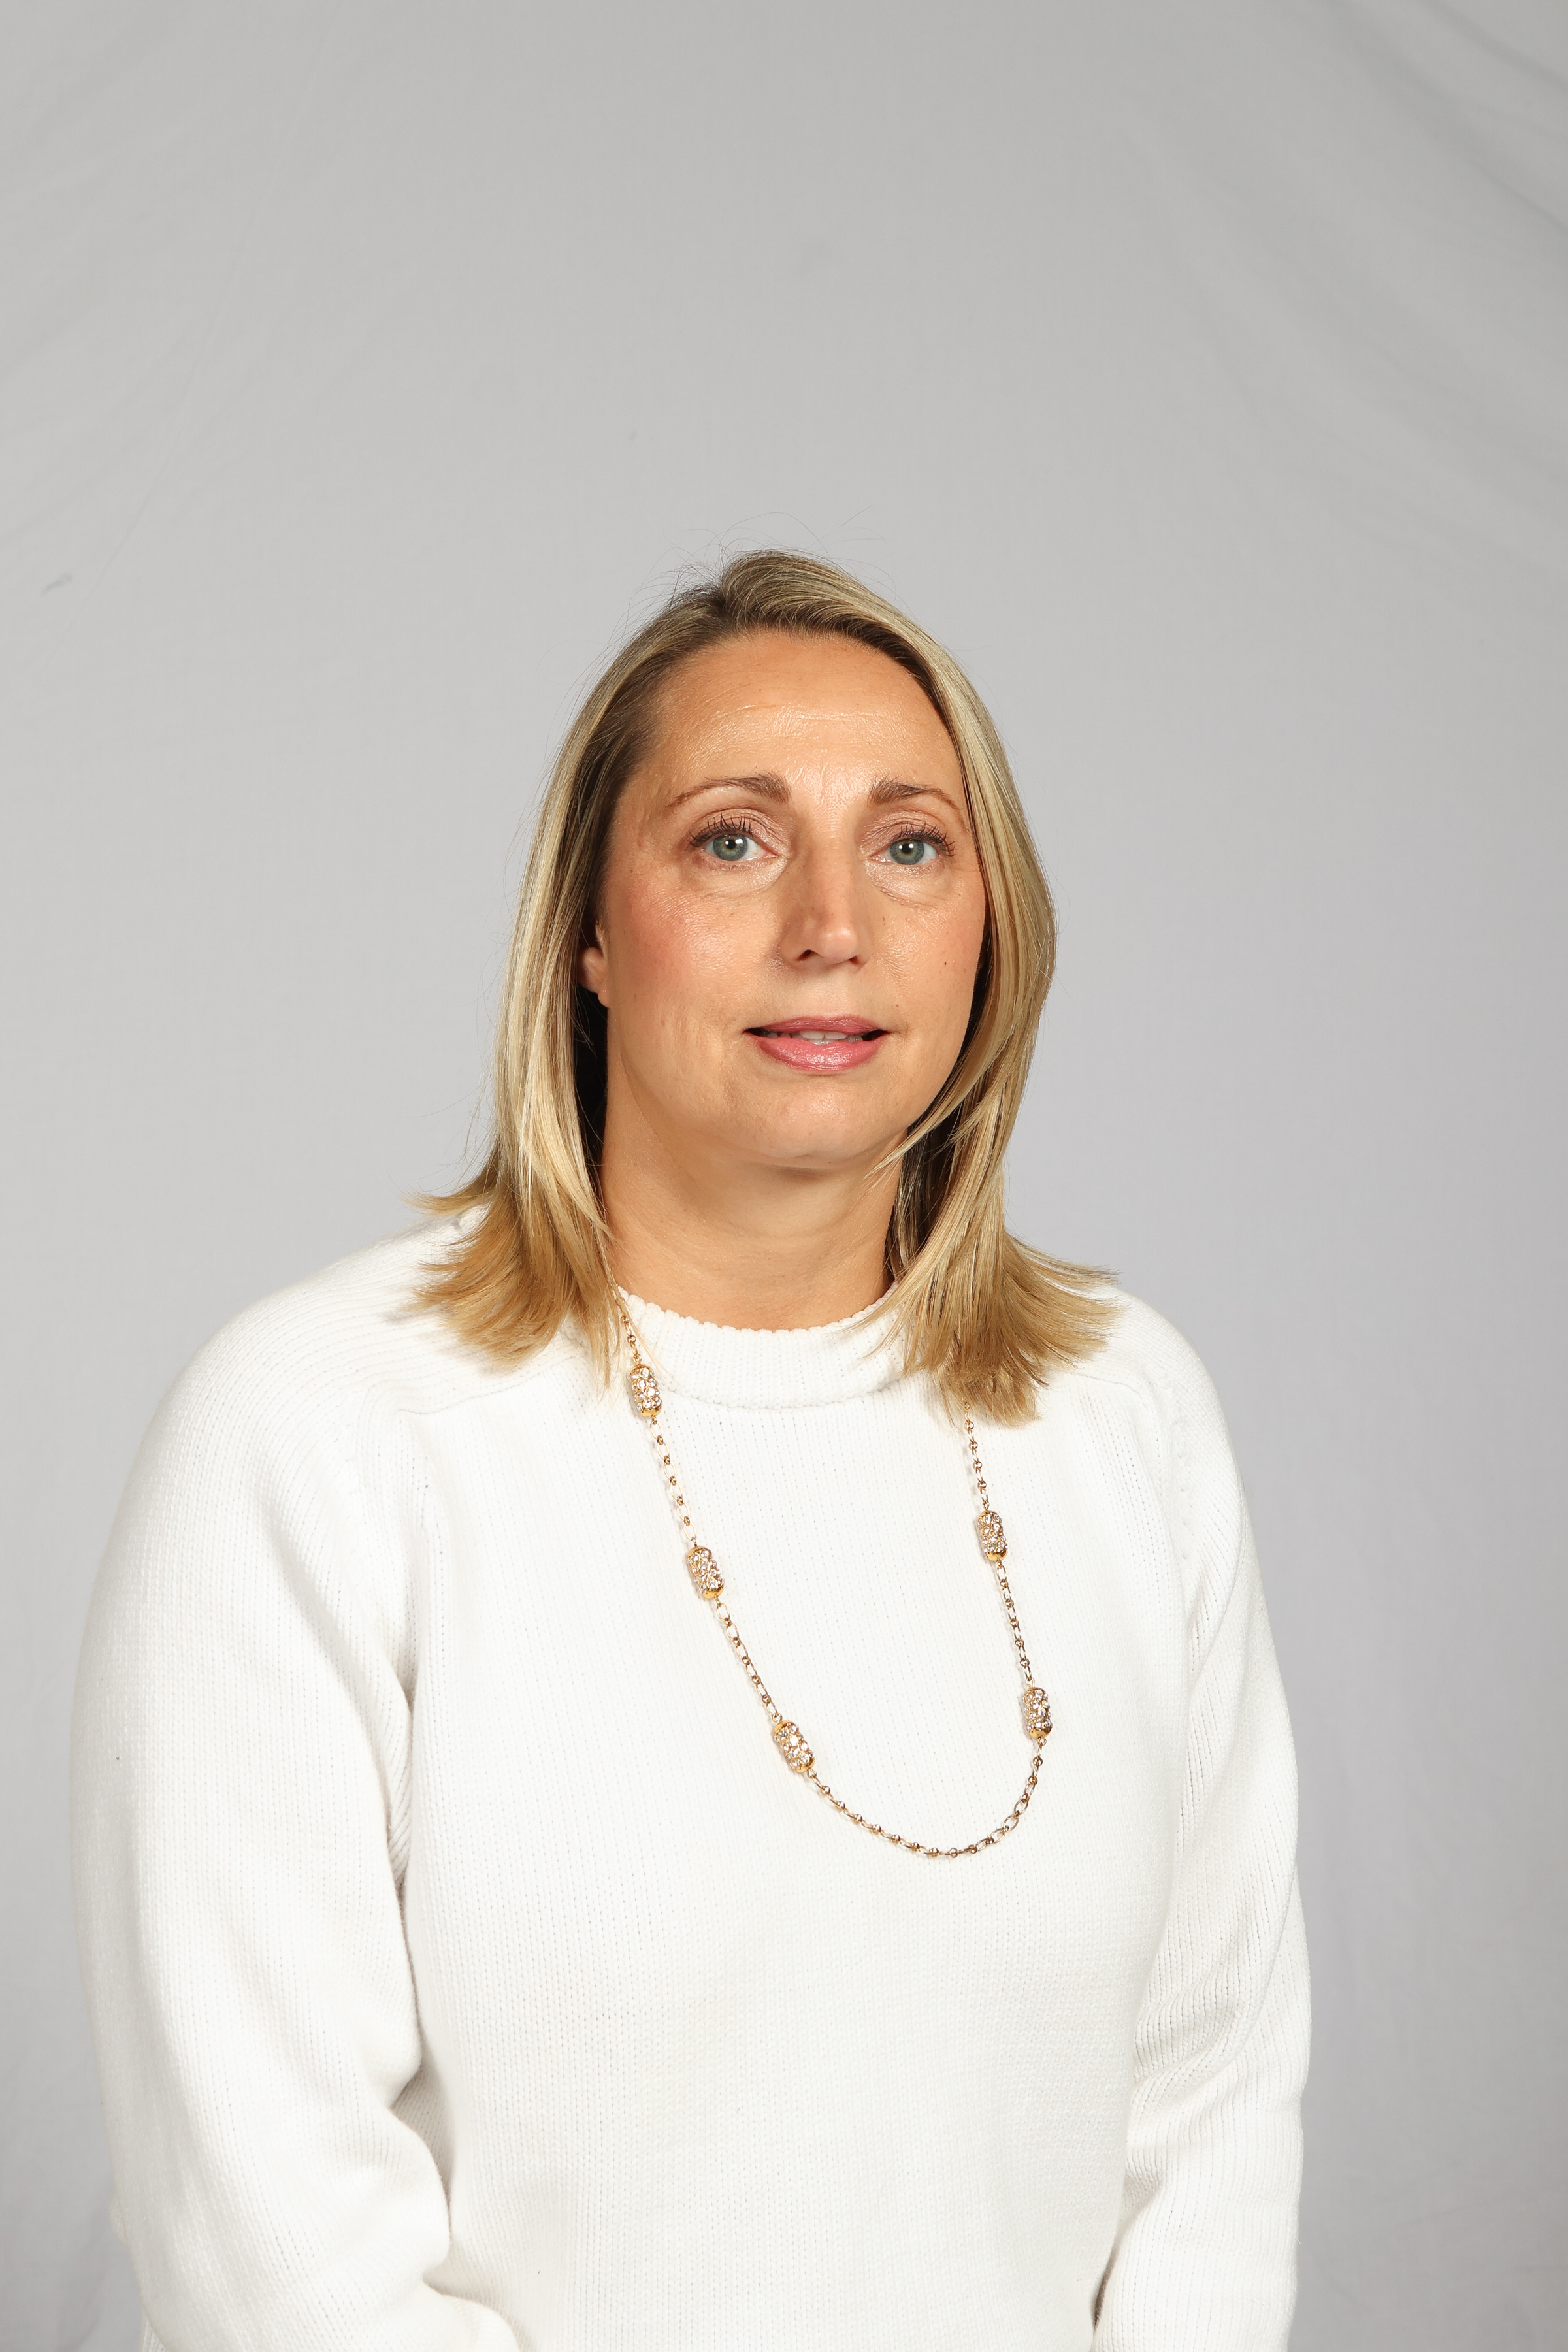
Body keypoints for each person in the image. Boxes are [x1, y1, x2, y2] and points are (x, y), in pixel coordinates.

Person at [72, 551, 1309, 2351]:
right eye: (735, 840)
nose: (832, 924)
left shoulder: (1128, 1415)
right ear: (588, 930)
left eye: (911, 844)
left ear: (993, 926)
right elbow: (265, 2233)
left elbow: (1215, 2101)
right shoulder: (320, 1430)